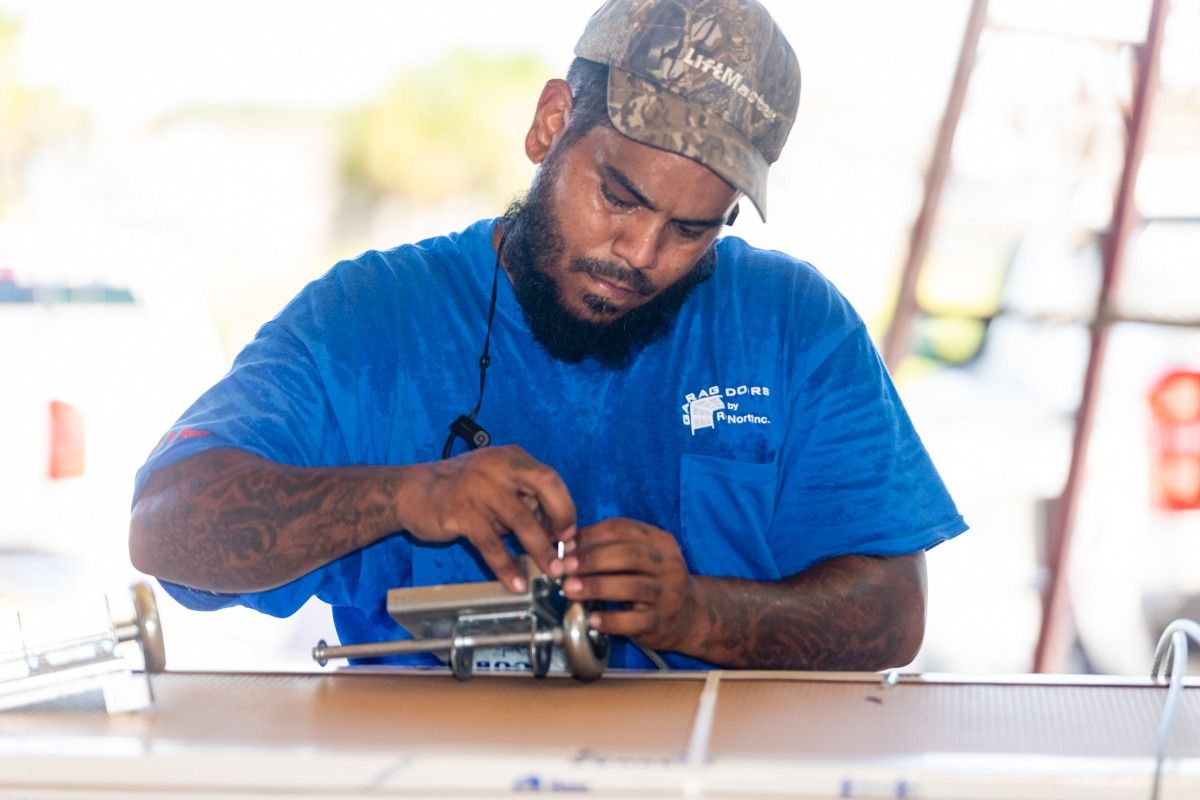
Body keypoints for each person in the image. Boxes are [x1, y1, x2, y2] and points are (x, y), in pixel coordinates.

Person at [129, 0, 966, 672]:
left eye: (691, 230)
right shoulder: (375, 317)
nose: (639, 255)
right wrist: (404, 496)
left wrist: (699, 614)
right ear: (550, 124)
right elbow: (164, 527)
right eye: (620, 197)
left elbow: (895, 615)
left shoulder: (793, 326)